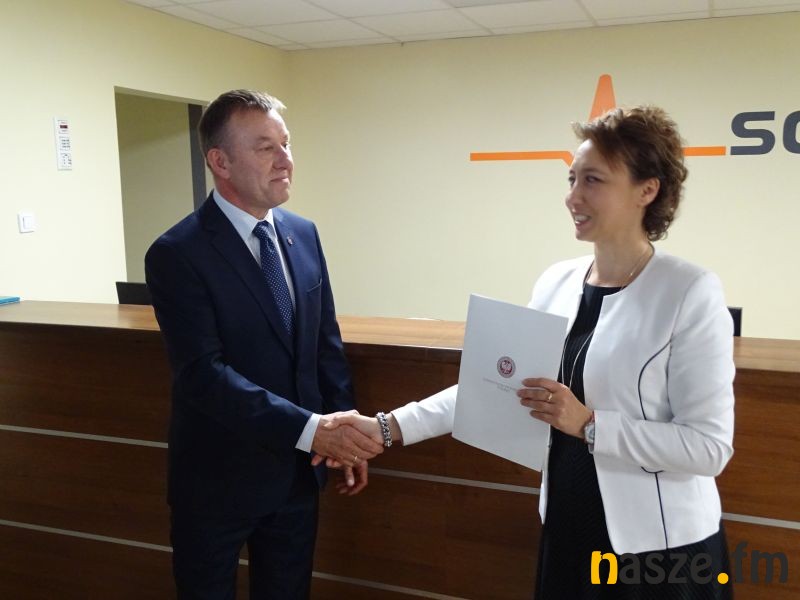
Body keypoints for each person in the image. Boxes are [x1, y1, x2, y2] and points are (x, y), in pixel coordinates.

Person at [326, 106, 735, 598]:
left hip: (660, 549)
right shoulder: (556, 282)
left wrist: (589, 424)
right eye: (572, 178)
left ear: (647, 190)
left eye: (593, 180)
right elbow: (494, 389)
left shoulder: (689, 291)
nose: (573, 196)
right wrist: (386, 427)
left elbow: (709, 448)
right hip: (568, 527)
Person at [145, 89, 383, 600]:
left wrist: (344, 432)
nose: (285, 160)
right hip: (217, 481)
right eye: (265, 148)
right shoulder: (177, 253)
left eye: (286, 143)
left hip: (298, 478)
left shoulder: (304, 233)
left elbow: (324, 344)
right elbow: (203, 375)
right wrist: (312, 431)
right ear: (220, 162)